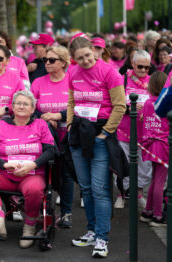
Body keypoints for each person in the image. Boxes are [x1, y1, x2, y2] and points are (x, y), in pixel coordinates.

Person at [68, 37, 126, 258]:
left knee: (100, 188)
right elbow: (71, 101)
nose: (85, 61)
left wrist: (105, 133)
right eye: (80, 58)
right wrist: (72, 122)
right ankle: (91, 231)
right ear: (73, 59)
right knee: (85, 187)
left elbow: (120, 106)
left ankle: (102, 238)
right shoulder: (73, 72)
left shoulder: (109, 72)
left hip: (100, 132)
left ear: (94, 51)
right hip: (79, 132)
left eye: (88, 55)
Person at [0, 90, 55, 248]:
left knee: (34, 188)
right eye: (18, 103)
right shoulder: (0, 125)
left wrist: (32, 165)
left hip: (31, 175)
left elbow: (51, 151)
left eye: (25, 104)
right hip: (5, 175)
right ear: (12, 107)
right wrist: (4, 164)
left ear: (33, 109)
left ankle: (29, 226)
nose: (21, 106)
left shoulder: (41, 125)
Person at [31, 45, 73, 228]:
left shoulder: (72, 81)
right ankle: (43, 210)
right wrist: (45, 118)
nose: (47, 63)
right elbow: (29, 108)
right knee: (45, 172)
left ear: (64, 63)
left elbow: (77, 106)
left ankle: (66, 213)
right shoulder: (38, 82)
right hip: (44, 136)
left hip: (67, 135)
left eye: (52, 60)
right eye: (45, 60)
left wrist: (57, 116)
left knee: (66, 174)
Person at [115, 50, 153, 209]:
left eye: (147, 67)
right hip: (124, 131)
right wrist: (128, 107)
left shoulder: (152, 82)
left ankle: (138, 193)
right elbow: (115, 102)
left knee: (145, 167)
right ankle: (121, 194)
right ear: (133, 64)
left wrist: (147, 109)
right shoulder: (122, 79)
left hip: (146, 133)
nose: (143, 70)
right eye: (140, 67)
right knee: (123, 165)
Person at [139, 71, 169, 227]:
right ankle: (157, 215)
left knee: (155, 180)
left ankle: (148, 210)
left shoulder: (148, 102)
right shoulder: (165, 103)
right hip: (163, 145)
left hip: (149, 143)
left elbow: (142, 118)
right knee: (160, 181)